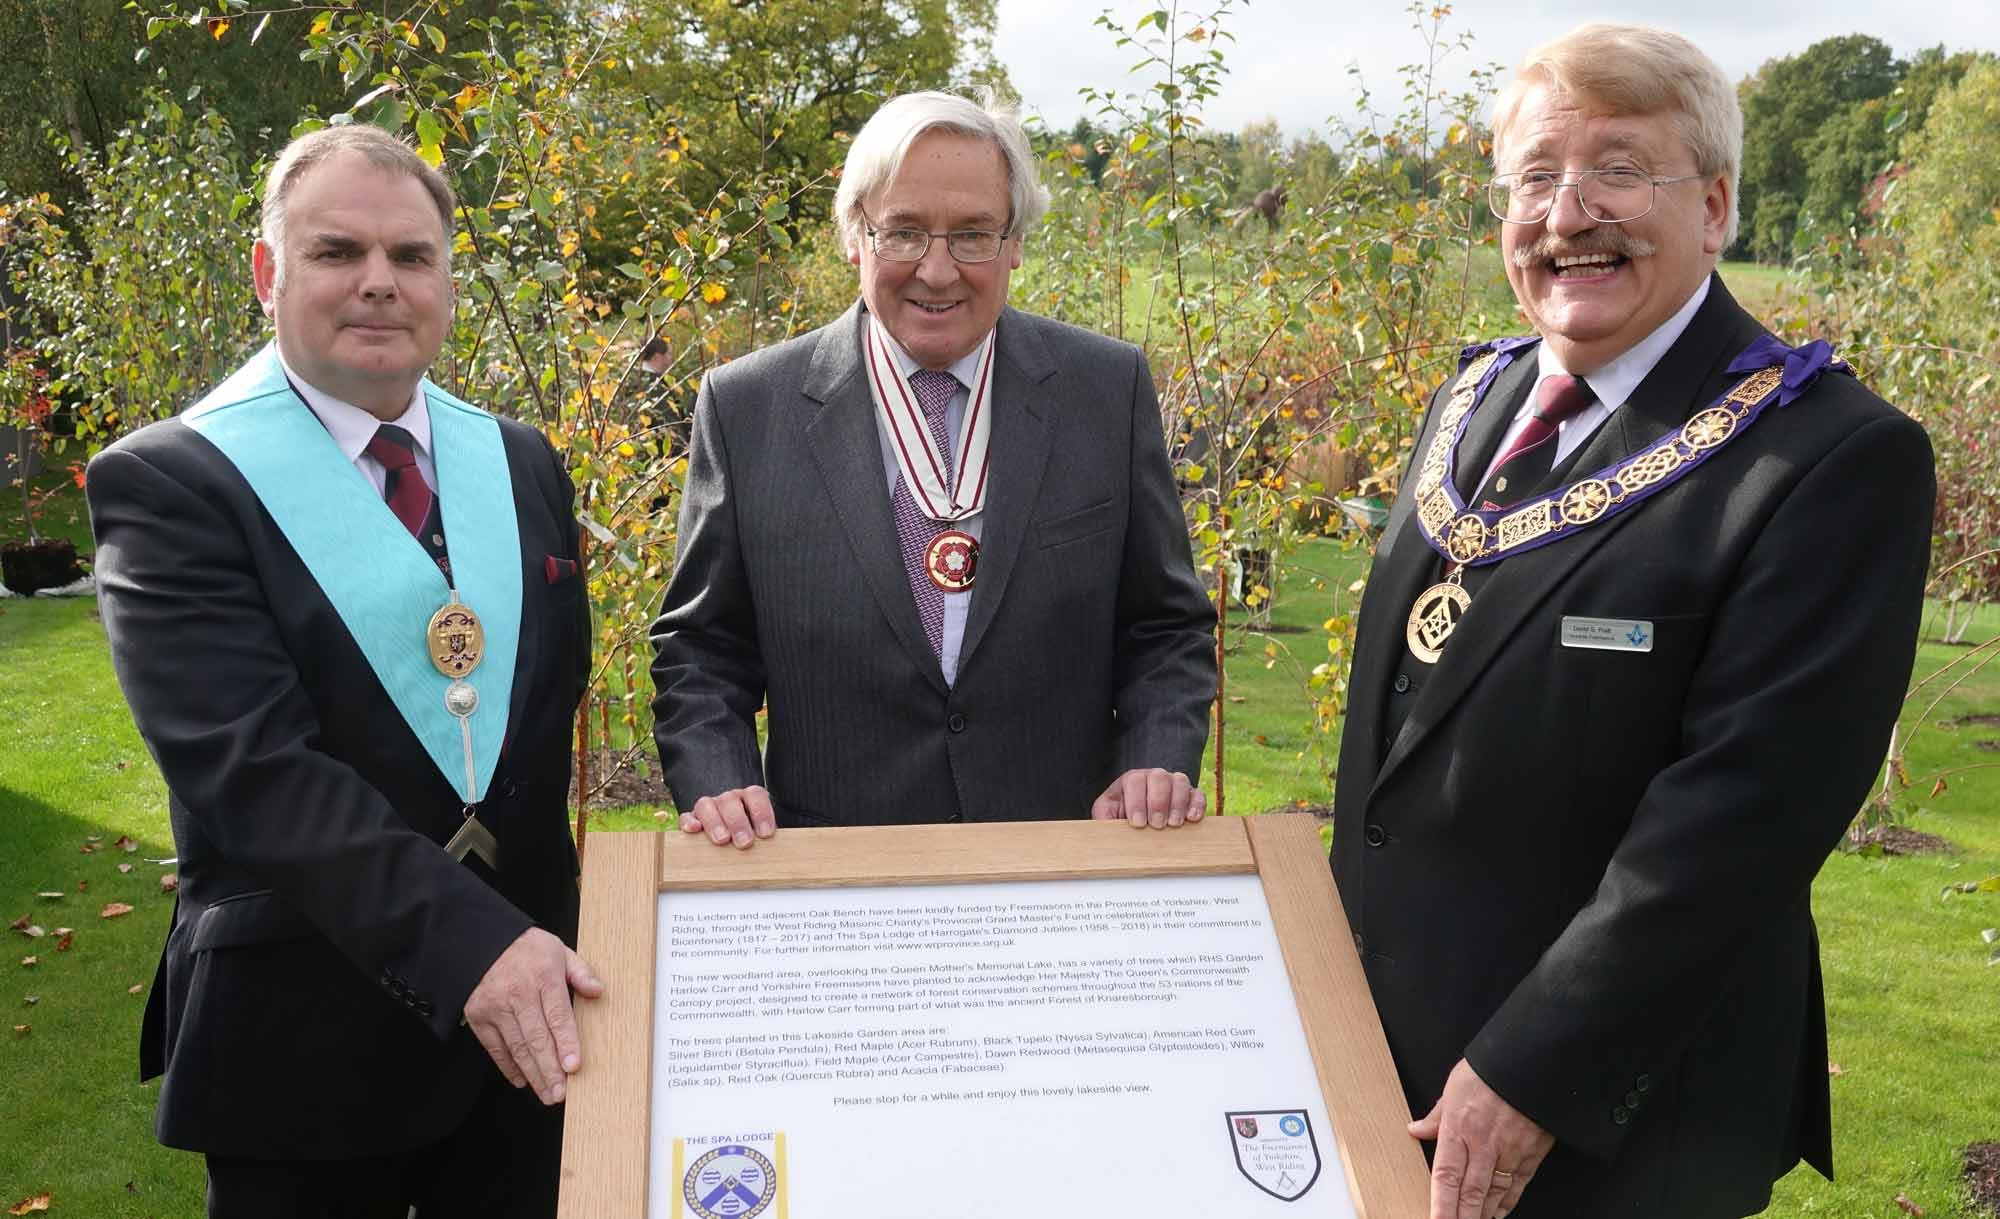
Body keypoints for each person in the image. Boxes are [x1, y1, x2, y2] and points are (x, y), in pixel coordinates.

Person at [1333, 24, 1933, 1219]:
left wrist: (1531, 1070)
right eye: (1536, 176)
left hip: (1613, 1113)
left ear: (1711, 207)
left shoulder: (1827, 456)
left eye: (1617, 169)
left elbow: (1742, 819)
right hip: (1384, 1059)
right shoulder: (1474, 394)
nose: (1568, 213)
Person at [87, 124, 600, 1218]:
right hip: (303, 1046)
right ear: (269, 273)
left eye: (412, 256)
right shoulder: (173, 483)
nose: (379, 283)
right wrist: (475, 945)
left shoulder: (519, 461)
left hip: (534, 1041)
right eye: (337, 252)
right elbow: (254, 773)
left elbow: (537, 728)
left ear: (448, 281)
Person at [650, 91, 1215, 844]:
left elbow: (1164, 626)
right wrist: (721, 780)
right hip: (835, 882)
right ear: (854, 236)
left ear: (1015, 242)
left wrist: (1154, 758)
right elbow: (701, 648)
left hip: (1061, 871)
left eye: (974, 235)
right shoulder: (751, 408)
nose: (939, 271)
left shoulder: (1104, 391)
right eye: (905, 233)